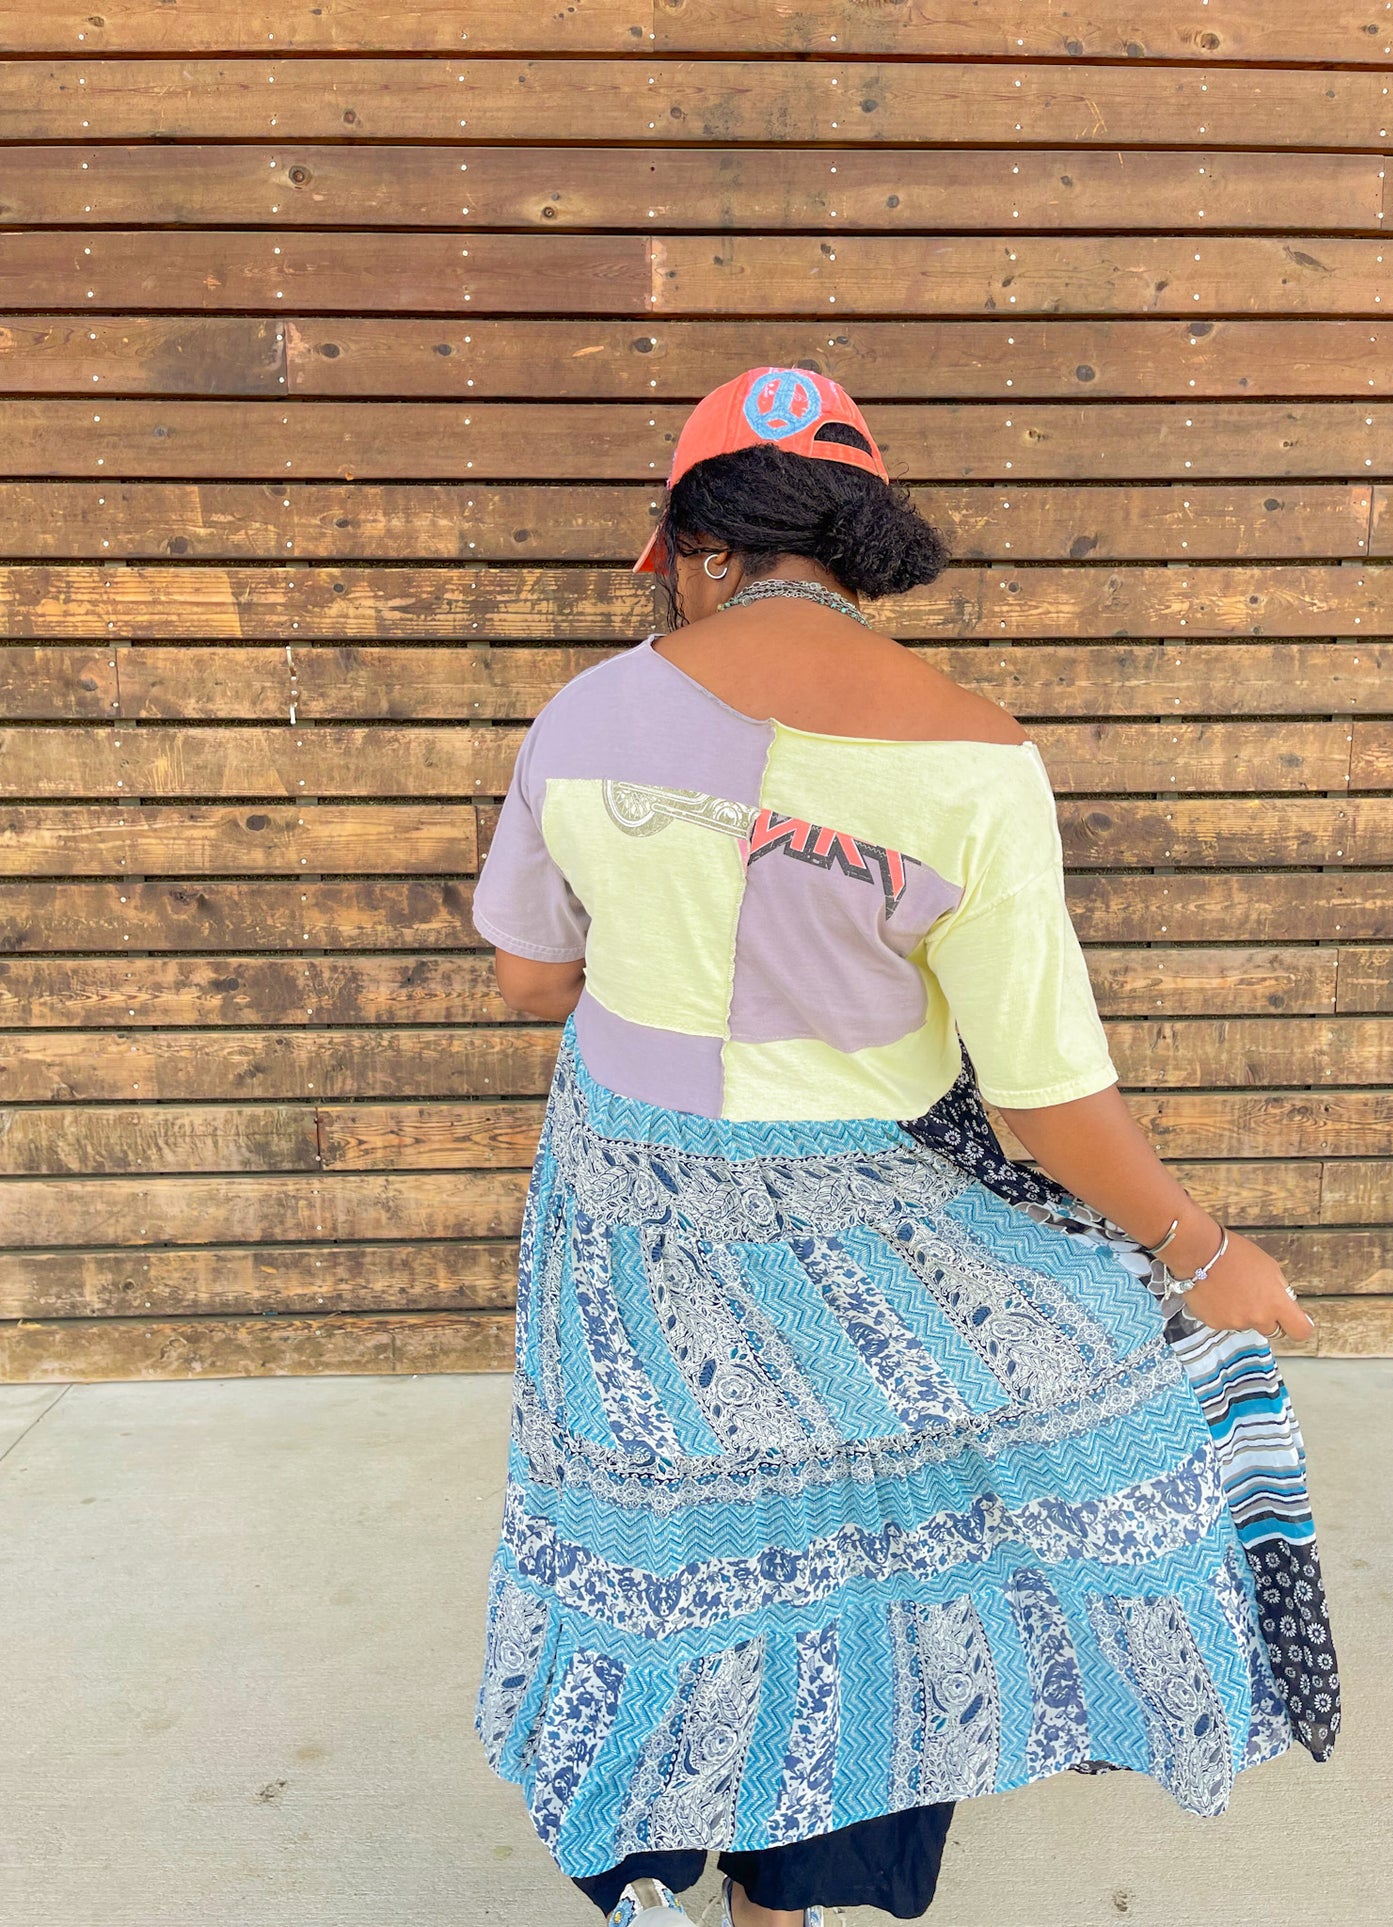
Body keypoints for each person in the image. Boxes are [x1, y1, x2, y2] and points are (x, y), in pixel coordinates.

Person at [470, 368, 1339, 1927]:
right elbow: (1041, 1103)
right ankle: (784, 1901)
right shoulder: (973, 756)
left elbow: (533, 981)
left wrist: (677, 950)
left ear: (690, 544)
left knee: (655, 1536)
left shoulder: (583, 714)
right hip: (873, 1224)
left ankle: (647, 1866)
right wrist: (1199, 1252)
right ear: (862, 543)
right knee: (857, 1560)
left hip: (627, 1214)